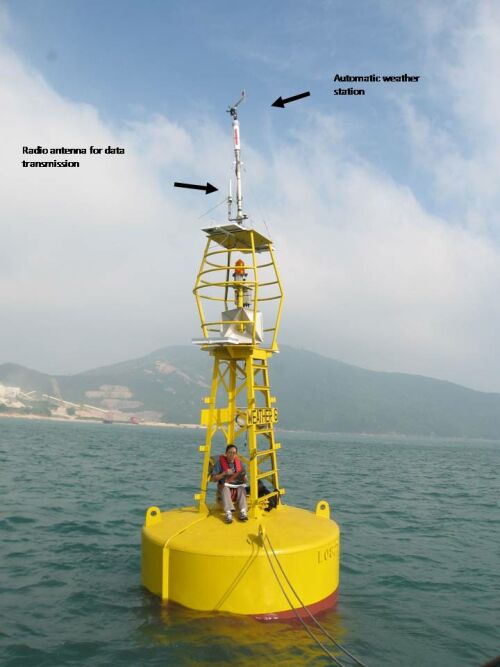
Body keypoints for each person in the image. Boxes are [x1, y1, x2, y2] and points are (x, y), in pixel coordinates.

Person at [211, 444, 248, 524]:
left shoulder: (239, 463)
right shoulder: (219, 463)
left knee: (242, 488)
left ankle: (243, 511)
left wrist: (245, 478)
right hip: (224, 486)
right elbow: (213, 479)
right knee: (225, 488)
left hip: (237, 486)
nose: (231, 455)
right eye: (230, 452)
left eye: (234, 453)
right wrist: (224, 473)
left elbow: (245, 479)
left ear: (236, 454)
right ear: (226, 453)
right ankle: (228, 513)